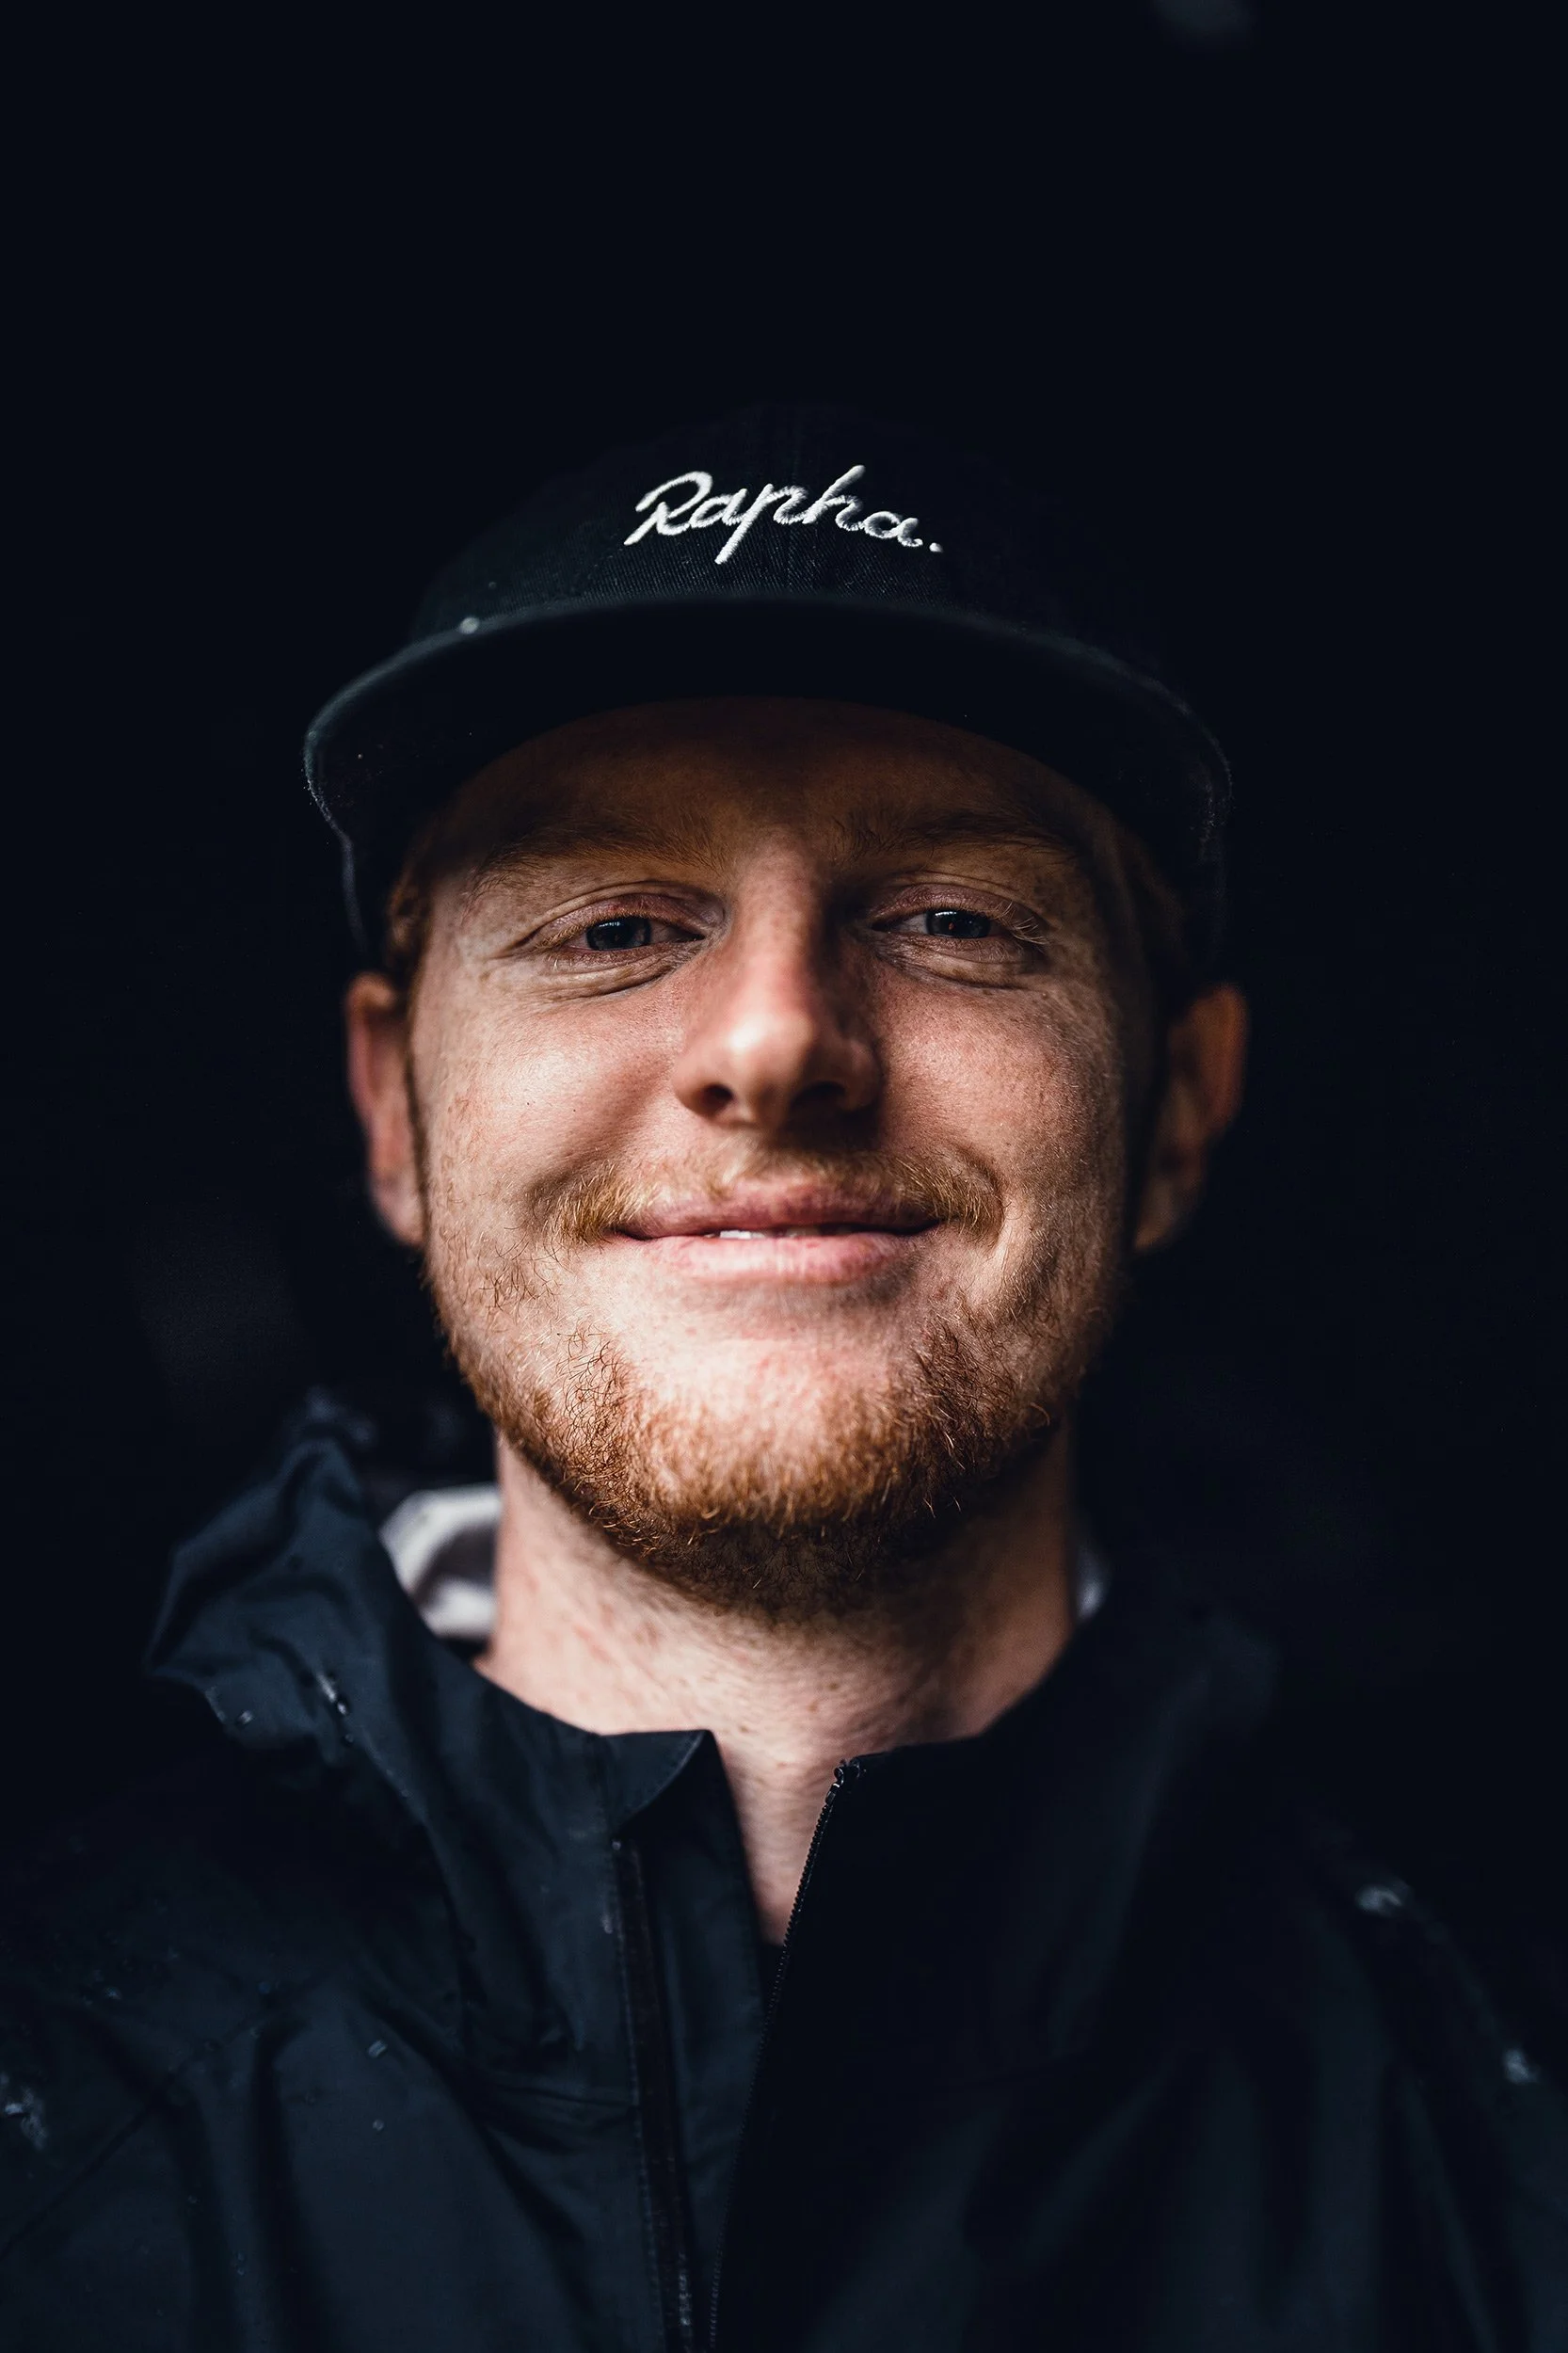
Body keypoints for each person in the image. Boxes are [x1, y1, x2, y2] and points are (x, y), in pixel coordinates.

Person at [1, 407, 1563, 2351]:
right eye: (615, 922)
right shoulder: (48, 2110)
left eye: (951, 919)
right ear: (393, 1105)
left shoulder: (1502, 2124)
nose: (774, 1038)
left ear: (1176, 1103)